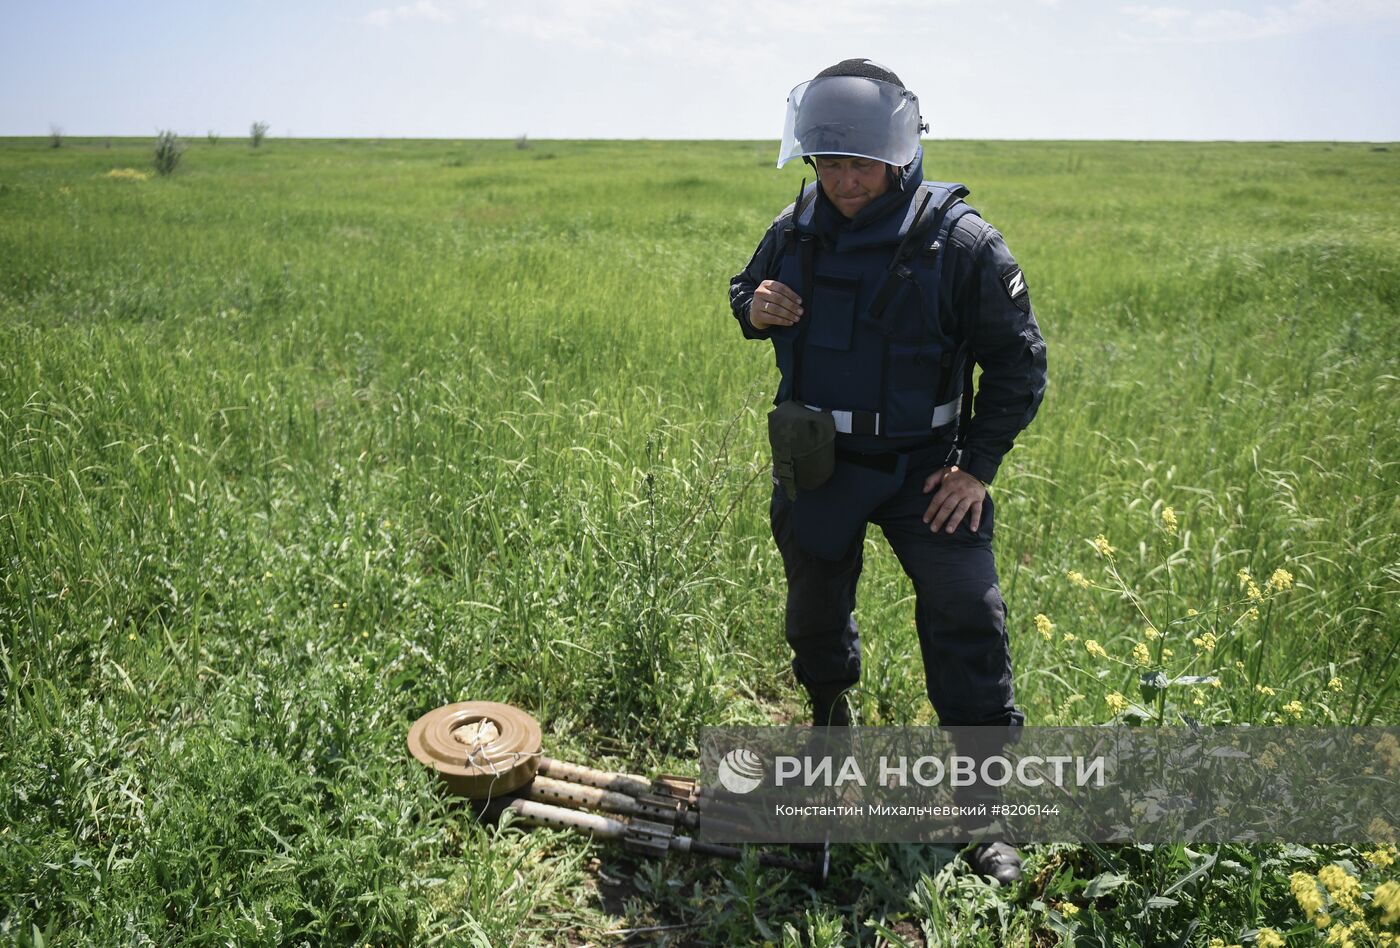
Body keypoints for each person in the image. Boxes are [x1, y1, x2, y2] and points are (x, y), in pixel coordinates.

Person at [727, 59, 1047, 884]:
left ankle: (986, 815)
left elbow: (1018, 364)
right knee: (814, 622)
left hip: (926, 472)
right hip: (821, 464)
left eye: (858, 163)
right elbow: (742, 292)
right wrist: (753, 307)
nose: (842, 180)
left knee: (966, 613)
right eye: (826, 162)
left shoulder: (963, 243)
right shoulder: (796, 226)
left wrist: (976, 469)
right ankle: (827, 745)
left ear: (901, 157)